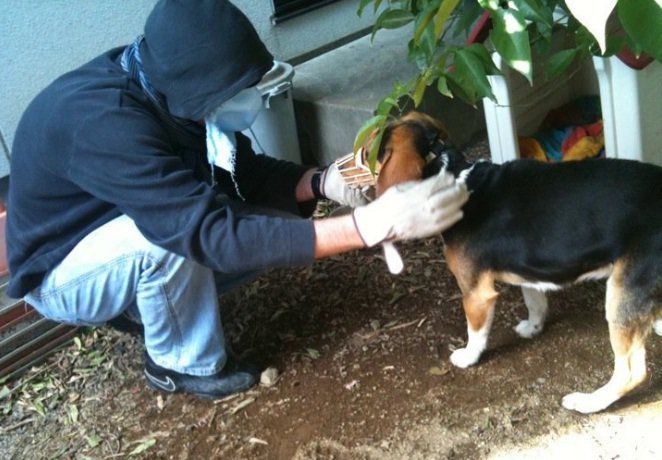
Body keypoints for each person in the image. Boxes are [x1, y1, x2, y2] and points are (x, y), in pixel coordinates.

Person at [6, 0, 468, 399]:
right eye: (237, 91)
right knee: (169, 242)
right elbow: (203, 231)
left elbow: (242, 173)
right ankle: (180, 363)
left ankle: (148, 306)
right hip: (61, 267)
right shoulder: (105, 124)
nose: (248, 99)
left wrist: (320, 181)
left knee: (263, 226)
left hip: (117, 218)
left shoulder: (167, 89)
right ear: (199, 90)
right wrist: (362, 227)